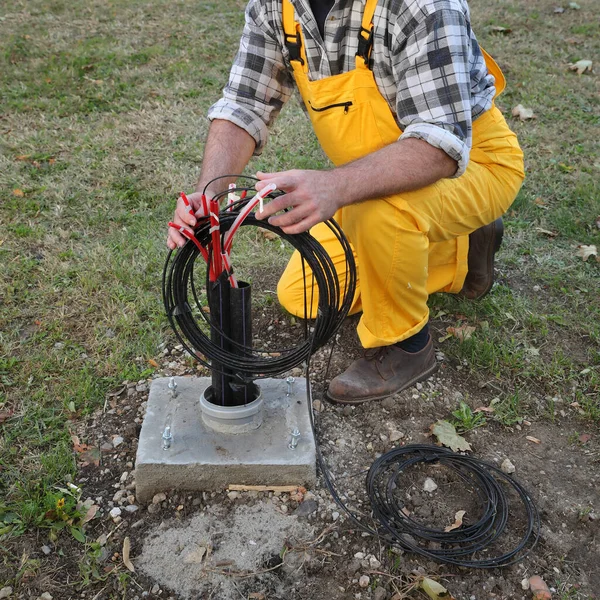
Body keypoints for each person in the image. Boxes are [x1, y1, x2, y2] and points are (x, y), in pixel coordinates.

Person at [167, 0, 525, 405]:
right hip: (375, 180)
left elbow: (441, 144)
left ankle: (408, 346)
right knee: (304, 295)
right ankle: (459, 250)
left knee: (381, 210)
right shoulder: (276, 7)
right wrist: (211, 196)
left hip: (473, 164)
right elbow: (243, 104)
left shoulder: (423, 5)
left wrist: (334, 187)